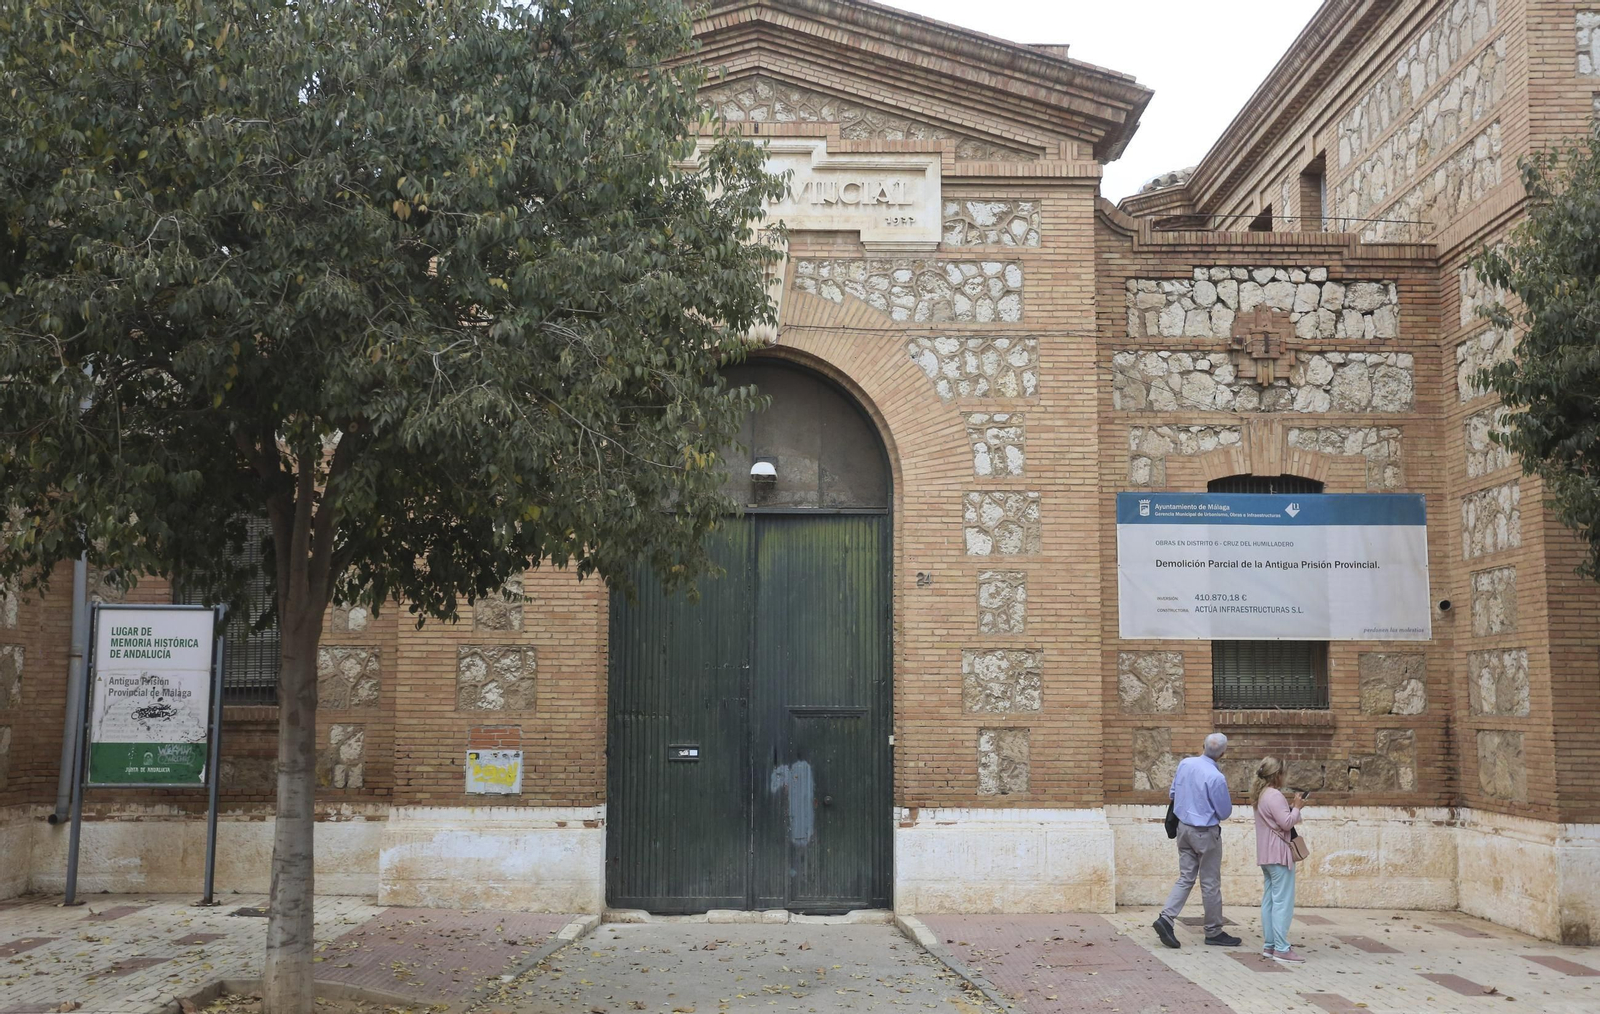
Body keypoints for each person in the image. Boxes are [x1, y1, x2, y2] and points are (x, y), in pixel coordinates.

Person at [1153, 732, 1240, 948]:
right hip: (1205, 832)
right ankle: (1213, 931)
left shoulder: (1185, 764)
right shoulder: (1216, 777)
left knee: (1185, 877)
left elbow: (1173, 793)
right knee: (1210, 883)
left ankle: (1166, 918)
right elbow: (1224, 812)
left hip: (1183, 828)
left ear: (1203, 745)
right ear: (1223, 753)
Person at [1252, 756, 1306, 964]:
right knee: (1283, 902)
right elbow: (1286, 823)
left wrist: (1291, 809)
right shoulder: (1274, 795)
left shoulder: (1260, 794)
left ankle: (1270, 945)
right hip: (1279, 854)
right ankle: (1281, 948)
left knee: (1269, 900)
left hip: (1266, 854)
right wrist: (1297, 807)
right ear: (1277, 775)